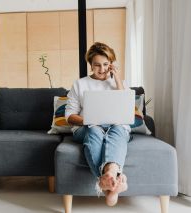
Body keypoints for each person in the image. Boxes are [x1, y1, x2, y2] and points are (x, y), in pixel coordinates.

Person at [65, 42, 130, 206]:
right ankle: (113, 181)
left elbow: (125, 110)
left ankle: (107, 179)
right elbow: (69, 116)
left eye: (106, 64)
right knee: (94, 131)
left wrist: (117, 80)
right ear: (90, 65)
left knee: (117, 128)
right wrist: (90, 120)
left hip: (115, 127)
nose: (102, 69)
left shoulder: (118, 84)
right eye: (97, 65)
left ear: (112, 64)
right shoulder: (80, 84)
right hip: (87, 127)